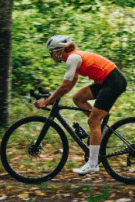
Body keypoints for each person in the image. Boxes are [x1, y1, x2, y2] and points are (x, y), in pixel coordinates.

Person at [33, 35, 127, 175]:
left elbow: (65, 86)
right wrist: (53, 97)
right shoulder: (72, 58)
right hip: (106, 81)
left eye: (51, 52)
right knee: (78, 98)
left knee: (92, 120)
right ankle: (100, 127)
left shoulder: (72, 58)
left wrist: (47, 101)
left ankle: (93, 163)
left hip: (113, 82)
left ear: (59, 51)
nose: (51, 56)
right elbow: (70, 84)